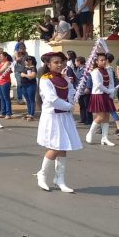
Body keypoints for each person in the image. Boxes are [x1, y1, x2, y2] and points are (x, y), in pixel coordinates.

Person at [35, 52, 82, 193]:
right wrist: (69, 106)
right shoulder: (45, 79)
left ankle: (59, 179)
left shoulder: (63, 78)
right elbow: (51, 99)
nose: (59, 64)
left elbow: (70, 93)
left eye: (61, 62)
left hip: (64, 116)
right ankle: (42, 174)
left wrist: (72, 96)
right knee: (55, 147)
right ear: (48, 64)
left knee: (63, 147)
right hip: (52, 117)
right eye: (55, 62)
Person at [85, 53, 117, 146]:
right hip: (98, 95)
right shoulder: (95, 71)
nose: (103, 62)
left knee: (107, 117)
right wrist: (108, 91)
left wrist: (112, 91)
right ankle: (90, 132)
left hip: (107, 95)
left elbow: (111, 81)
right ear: (96, 61)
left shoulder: (109, 70)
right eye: (101, 60)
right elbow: (98, 84)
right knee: (101, 117)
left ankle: (104, 138)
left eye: (105, 60)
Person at [0, 52, 13, 119]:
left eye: (2, 56)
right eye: (0, 56)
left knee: (6, 97)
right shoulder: (0, 63)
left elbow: (0, 71)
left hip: (5, 81)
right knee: (1, 97)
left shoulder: (7, 63)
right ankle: (3, 112)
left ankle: (8, 113)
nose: (0, 58)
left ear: (5, 57)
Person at [20, 56, 38, 121]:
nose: (27, 61)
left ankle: (32, 114)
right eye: (26, 60)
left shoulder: (33, 68)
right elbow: (21, 74)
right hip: (24, 85)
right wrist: (27, 76)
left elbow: (32, 76)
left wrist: (24, 75)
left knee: (31, 99)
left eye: (28, 60)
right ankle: (29, 112)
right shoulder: (24, 67)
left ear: (31, 61)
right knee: (27, 100)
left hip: (31, 85)